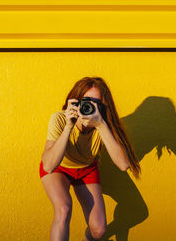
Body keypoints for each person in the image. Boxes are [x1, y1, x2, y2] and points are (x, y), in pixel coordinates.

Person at [39, 76, 141, 241]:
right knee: (64, 208)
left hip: (86, 169)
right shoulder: (59, 118)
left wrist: (100, 124)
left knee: (99, 230)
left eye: (96, 104)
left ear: (103, 107)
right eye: (86, 101)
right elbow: (49, 166)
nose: (89, 107)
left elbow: (123, 165)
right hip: (59, 167)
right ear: (76, 101)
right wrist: (68, 126)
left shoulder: (103, 124)